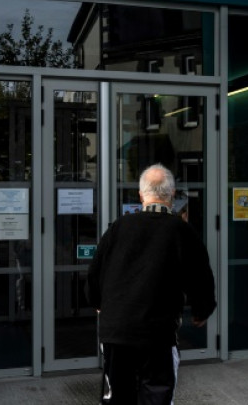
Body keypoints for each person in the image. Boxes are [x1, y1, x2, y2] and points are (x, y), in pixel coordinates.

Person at [86, 163, 217, 405]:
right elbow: (200, 276)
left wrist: (97, 301)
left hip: (116, 331)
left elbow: (95, 271)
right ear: (173, 195)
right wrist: (202, 310)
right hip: (157, 333)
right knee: (156, 395)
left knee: (118, 396)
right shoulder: (181, 230)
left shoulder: (119, 226)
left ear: (141, 195)